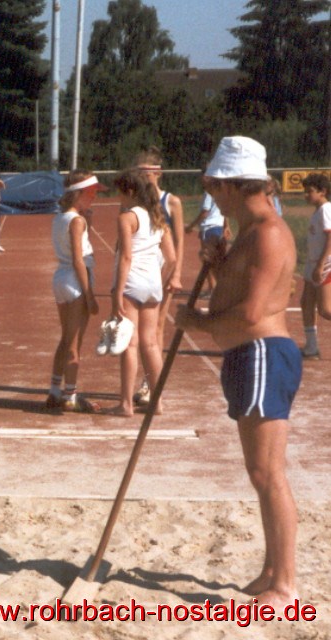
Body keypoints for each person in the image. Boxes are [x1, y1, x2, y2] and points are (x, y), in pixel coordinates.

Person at [175, 136, 301, 609]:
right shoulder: (249, 232)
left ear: (231, 186)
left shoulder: (268, 231)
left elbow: (249, 313)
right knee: (260, 472)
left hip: (263, 353)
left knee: (269, 473)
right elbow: (235, 294)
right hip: (250, 356)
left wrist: (199, 323)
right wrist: (216, 267)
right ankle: (272, 570)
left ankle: (285, 584)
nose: (211, 196)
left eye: (214, 187)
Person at [105, 168, 180, 417]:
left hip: (132, 283)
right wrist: (158, 279)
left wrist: (117, 292)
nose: (119, 199)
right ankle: (157, 402)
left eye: (120, 193)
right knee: (150, 344)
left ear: (128, 191)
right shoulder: (157, 217)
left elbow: (126, 256)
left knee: (129, 343)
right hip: (152, 285)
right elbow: (171, 257)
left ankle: (126, 404)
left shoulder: (127, 218)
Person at [46, 171, 105, 412]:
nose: (94, 198)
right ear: (78, 194)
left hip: (62, 278)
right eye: (91, 193)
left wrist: (87, 223)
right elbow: (79, 259)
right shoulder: (76, 221)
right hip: (75, 279)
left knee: (66, 339)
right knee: (74, 344)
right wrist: (90, 295)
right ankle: (70, 395)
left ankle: (54, 390)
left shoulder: (62, 218)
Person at [133, 149, 184, 405]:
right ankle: (149, 383)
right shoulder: (136, 201)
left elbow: (179, 241)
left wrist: (176, 274)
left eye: (147, 172)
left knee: (156, 331)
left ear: (158, 173)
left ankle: (150, 384)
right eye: (138, 172)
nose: (143, 176)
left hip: (162, 271)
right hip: (141, 272)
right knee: (140, 333)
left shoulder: (170, 201)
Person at [299, 172, 331, 358]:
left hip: (324, 264)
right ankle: (311, 347)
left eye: (309, 191)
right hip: (312, 264)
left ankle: (312, 347)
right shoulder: (318, 211)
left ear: (322, 191)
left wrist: (320, 265)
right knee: (306, 303)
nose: (306, 195)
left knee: (326, 309)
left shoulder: (326, 209)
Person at [185, 191, 229, 296]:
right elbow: (224, 210)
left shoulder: (209, 193)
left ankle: (213, 288)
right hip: (218, 227)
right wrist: (226, 225)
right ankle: (218, 288)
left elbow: (205, 212)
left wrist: (191, 226)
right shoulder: (222, 191)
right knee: (219, 260)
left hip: (209, 227)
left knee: (208, 259)